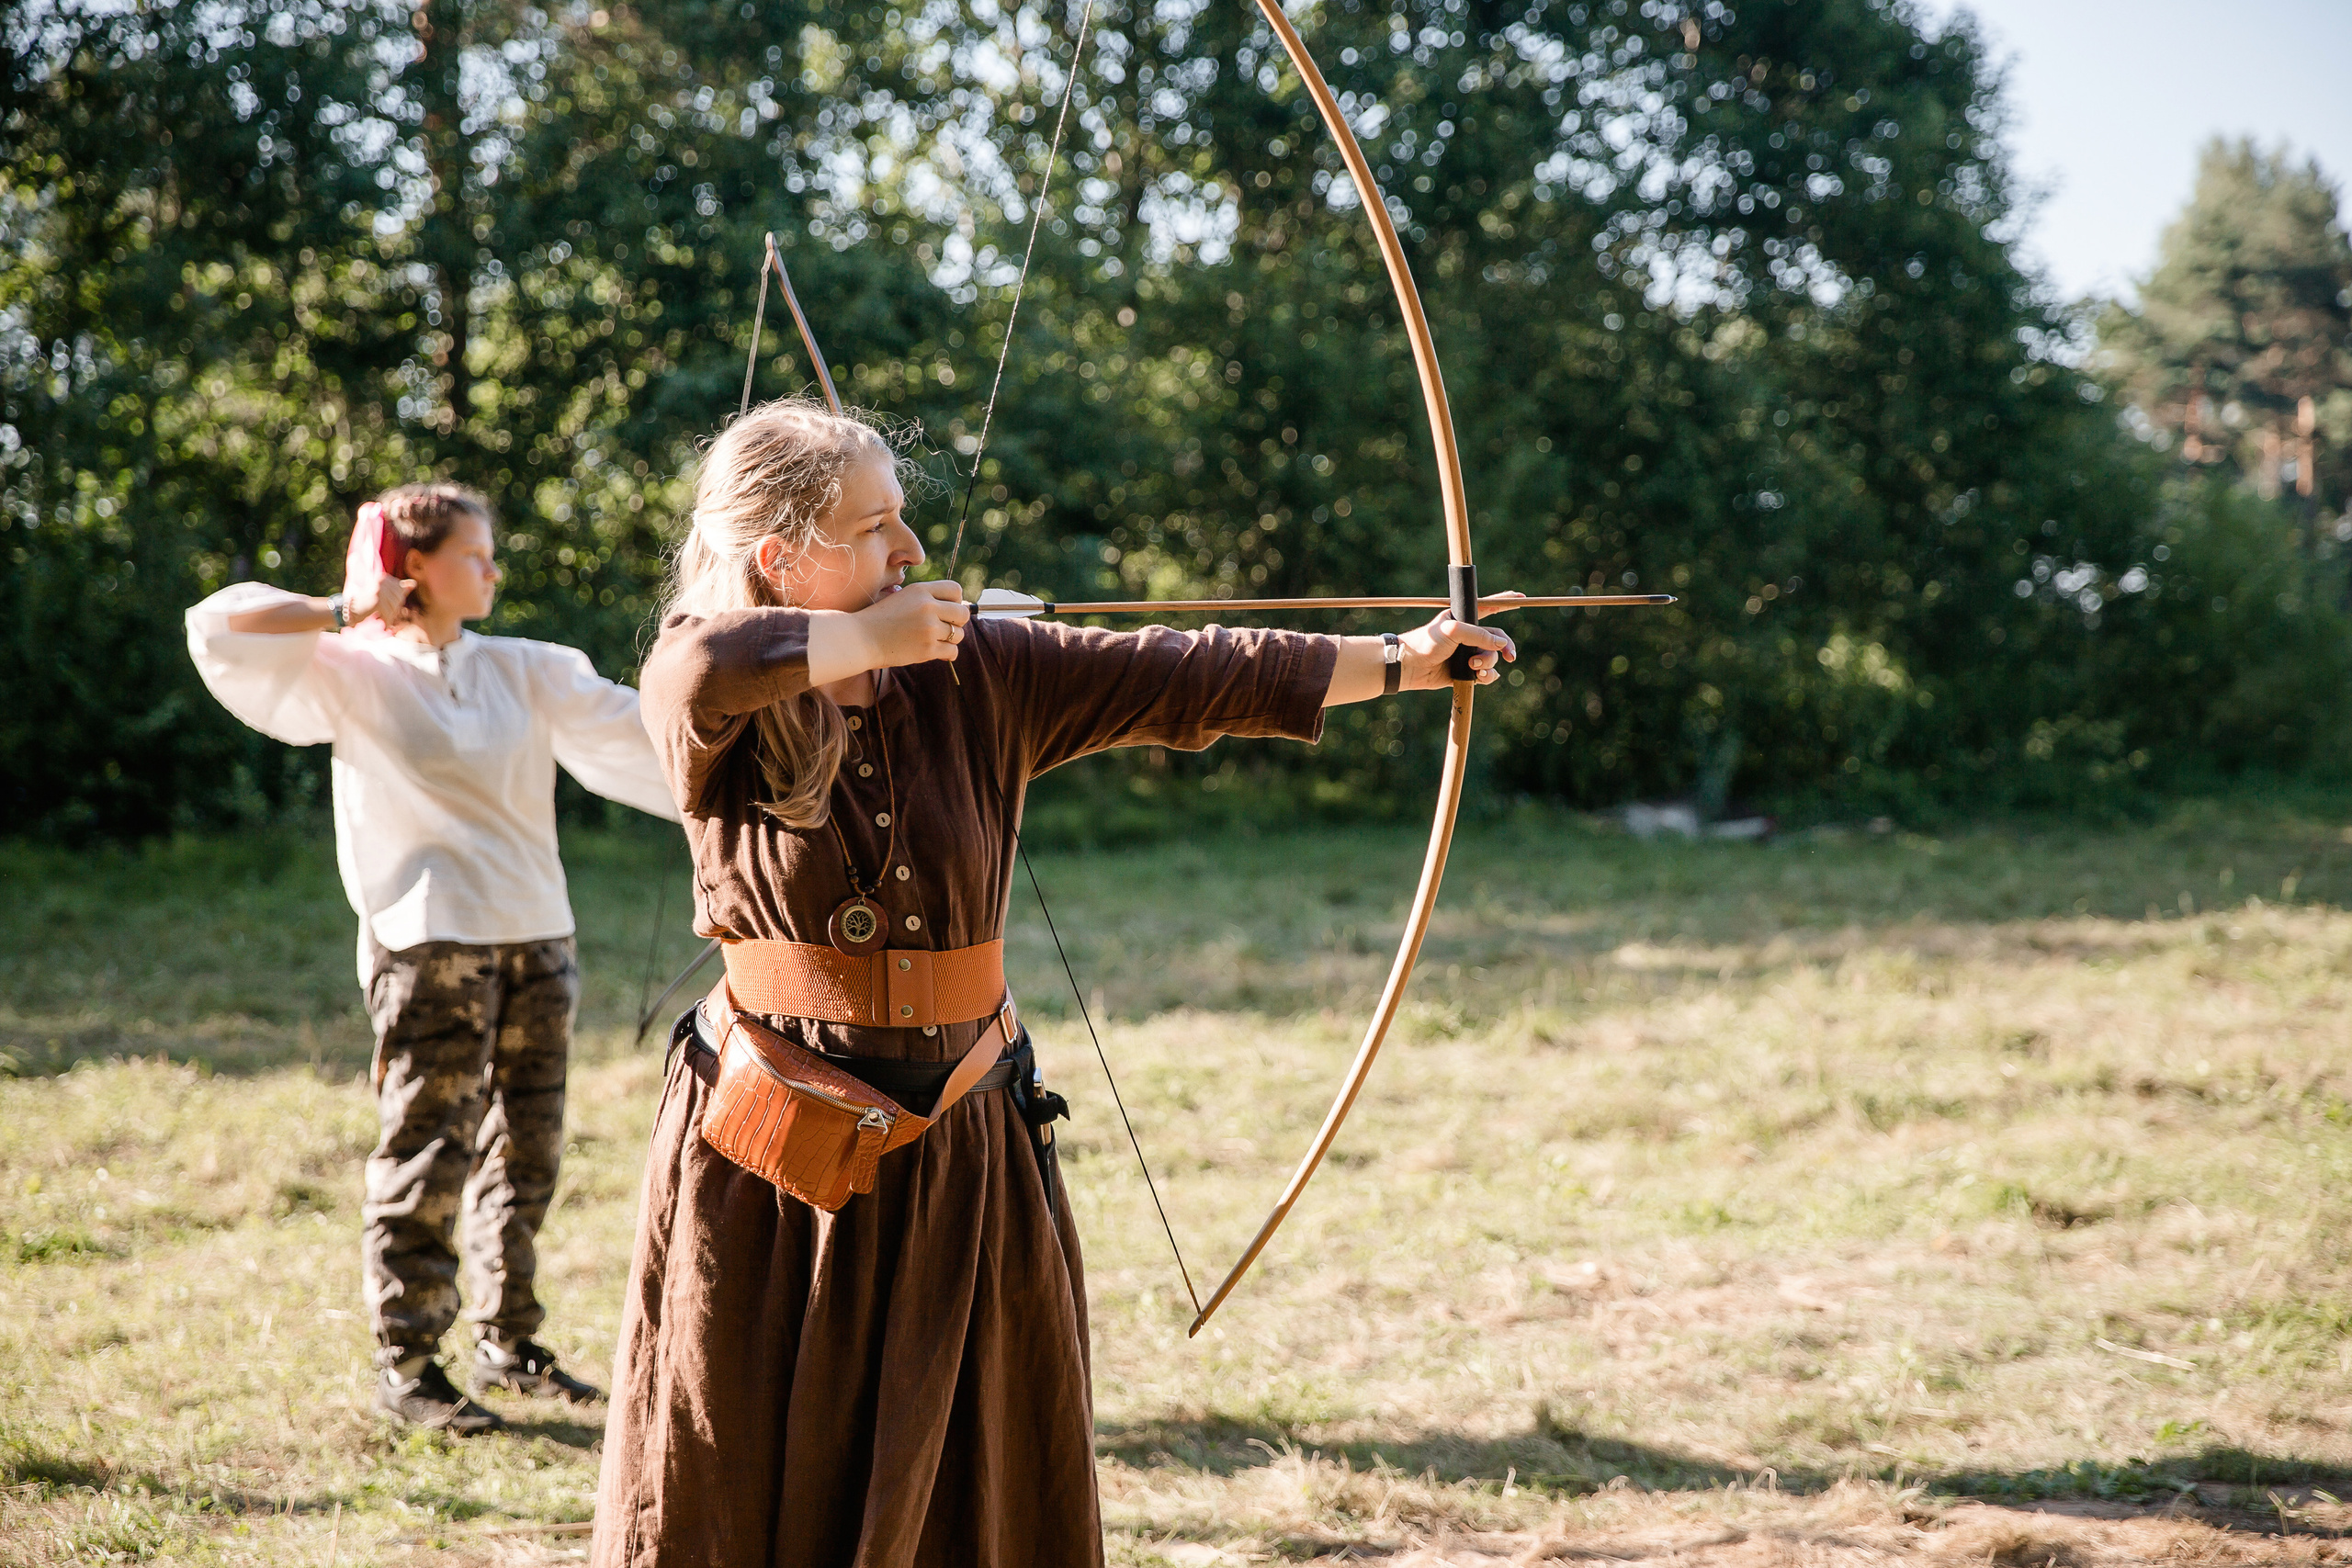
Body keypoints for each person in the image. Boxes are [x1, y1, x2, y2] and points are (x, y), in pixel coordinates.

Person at [591, 400, 1516, 1565]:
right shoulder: (712, 688)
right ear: (782, 559)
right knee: (756, 1468)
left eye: (905, 523)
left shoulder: (977, 668)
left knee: (978, 1474)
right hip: (782, 1160)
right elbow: (694, 665)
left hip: (959, 1142)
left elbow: (1185, 673)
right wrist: (875, 643)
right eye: (875, 529)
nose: (910, 553)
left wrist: (1403, 661)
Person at [185, 482, 683, 1436]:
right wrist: (345, 608)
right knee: (428, 1153)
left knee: (526, 1153)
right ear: (415, 566)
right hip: (427, 948)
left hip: (539, 937)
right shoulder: (351, 669)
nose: (494, 570)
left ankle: (511, 1342)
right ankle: (409, 1363)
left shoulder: (525, 668)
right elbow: (220, 627)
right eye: (475, 554)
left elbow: (646, 731)